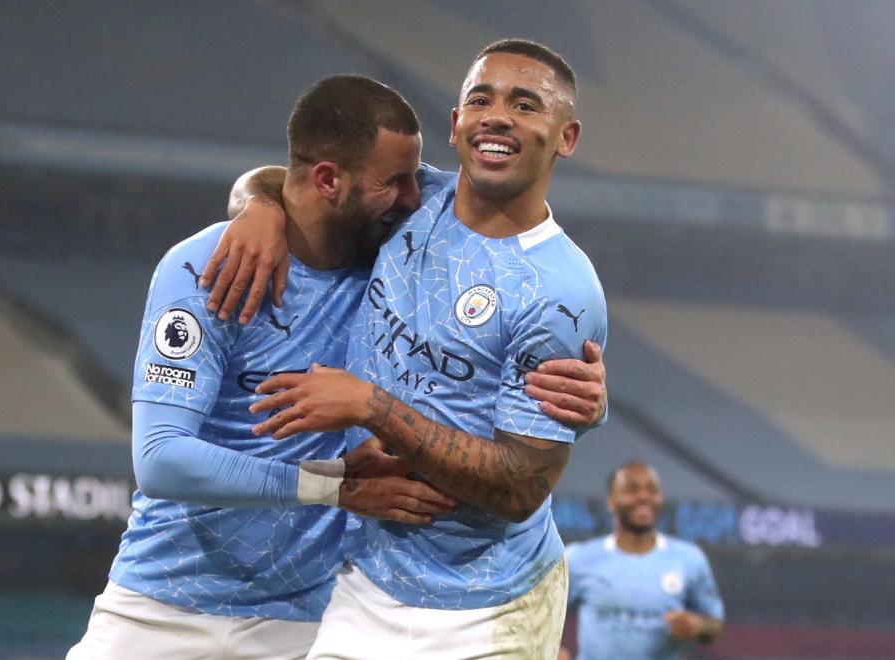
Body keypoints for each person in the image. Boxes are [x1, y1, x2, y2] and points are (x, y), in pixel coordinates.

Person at [68, 74, 602, 660]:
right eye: (394, 182)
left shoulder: (392, 260)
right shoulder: (210, 267)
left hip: (308, 615)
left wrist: (580, 390)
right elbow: (161, 460)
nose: (413, 198)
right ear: (328, 181)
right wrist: (333, 485)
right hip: (162, 600)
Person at [240, 39, 607, 658]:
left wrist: (370, 406)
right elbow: (300, 179)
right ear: (456, 124)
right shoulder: (413, 198)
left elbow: (518, 491)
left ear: (565, 137)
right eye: (480, 99)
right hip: (365, 574)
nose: (497, 115)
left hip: (487, 601)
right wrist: (257, 207)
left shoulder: (560, 294)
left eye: (525, 104)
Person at [560, 462, 724, 659]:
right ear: (611, 501)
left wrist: (697, 627)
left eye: (652, 490)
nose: (644, 497)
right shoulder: (579, 558)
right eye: (632, 490)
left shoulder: (688, 559)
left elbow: (714, 625)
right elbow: (541, 612)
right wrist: (551, 651)